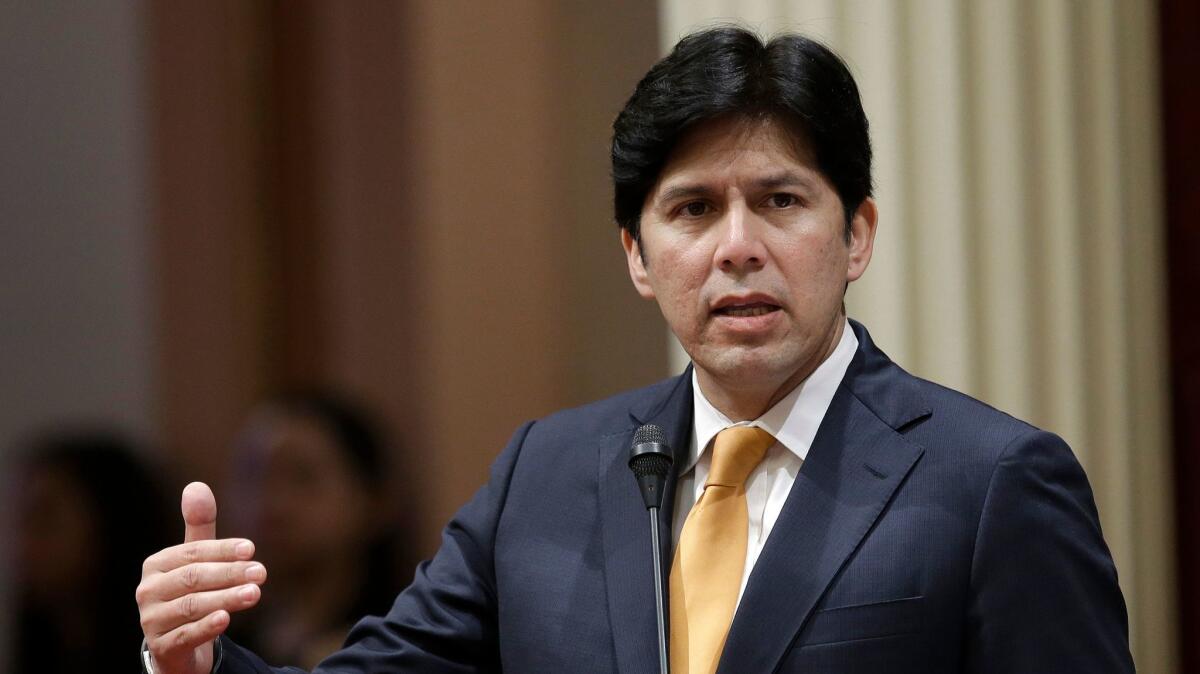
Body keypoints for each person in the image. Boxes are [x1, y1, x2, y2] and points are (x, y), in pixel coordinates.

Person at [136, 27, 1134, 673]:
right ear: (639, 257)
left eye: (780, 200)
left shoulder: (991, 480)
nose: (737, 243)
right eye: (693, 209)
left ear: (858, 233)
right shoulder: (549, 474)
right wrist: (194, 661)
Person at [221, 392, 412, 670]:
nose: (273, 504)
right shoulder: (219, 642)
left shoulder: (405, 639)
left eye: (303, 478)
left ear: (375, 500)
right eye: (253, 475)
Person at [10, 430, 172, 673]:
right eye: (23, 521)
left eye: (45, 520)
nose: (23, 543)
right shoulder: (46, 645)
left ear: (108, 523)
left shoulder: (176, 653)